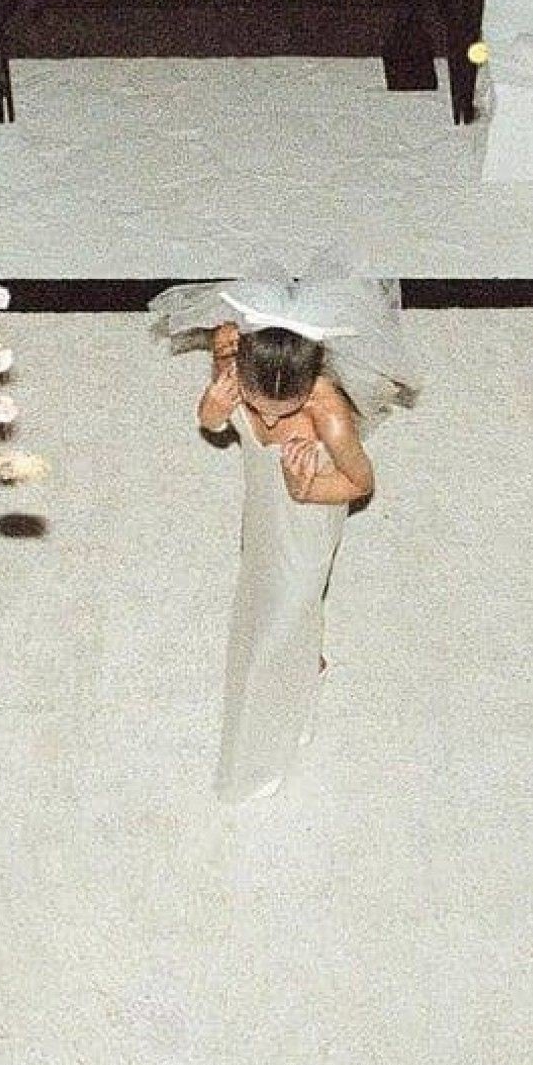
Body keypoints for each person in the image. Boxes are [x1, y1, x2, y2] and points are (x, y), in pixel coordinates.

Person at [149, 251, 419, 803]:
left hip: (310, 510)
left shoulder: (331, 416)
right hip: (263, 497)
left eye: (284, 410)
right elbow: (214, 424)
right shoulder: (232, 357)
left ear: (313, 380)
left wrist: (306, 487)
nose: (269, 420)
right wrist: (213, 406)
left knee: (289, 603)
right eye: (258, 407)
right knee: (258, 573)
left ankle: (296, 667)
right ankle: (305, 647)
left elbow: (360, 483)